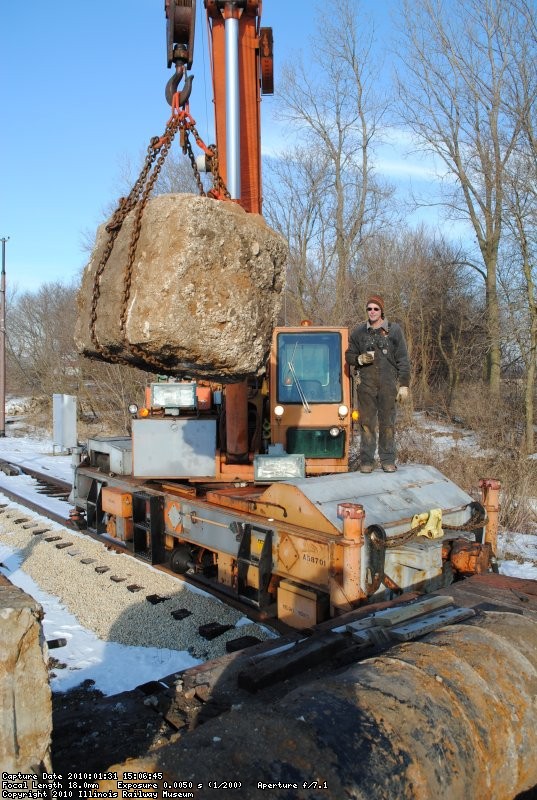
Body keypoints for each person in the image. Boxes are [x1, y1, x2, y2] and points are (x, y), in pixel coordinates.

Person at [345, 294, 410, 473]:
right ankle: (367, 461)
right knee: (366, 424)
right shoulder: (359, 332)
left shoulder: (394, 331)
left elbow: (403, 359)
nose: (372, 312)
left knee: (388, 424)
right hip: (365, 386)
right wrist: (358, 358)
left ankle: (388, 459)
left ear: (381, 311)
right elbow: (348, 356)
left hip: (388, 385)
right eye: (369, 309)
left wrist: (404, 385)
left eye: (376, 309)